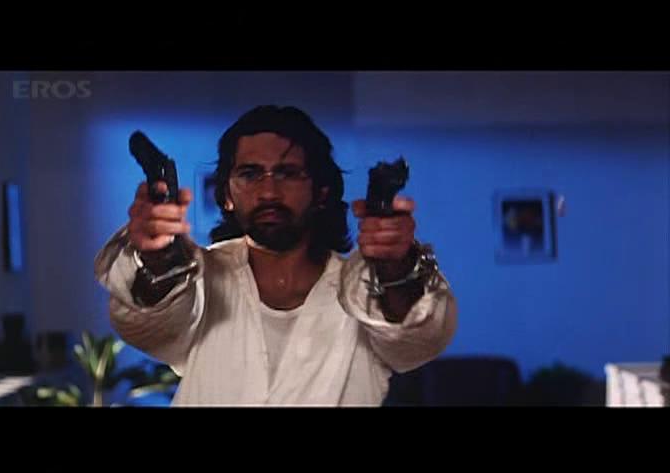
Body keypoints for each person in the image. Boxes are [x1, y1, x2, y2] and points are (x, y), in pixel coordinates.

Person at [94, 105, 457, 406]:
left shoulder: (364, 294)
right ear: (226, 196)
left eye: (288, 173)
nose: (268, 191)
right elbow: (148, 324)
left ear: (321, 192)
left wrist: (394, 266)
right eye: (250, 173)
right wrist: (159, 256)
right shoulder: (200, 280)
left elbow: (420, 336)